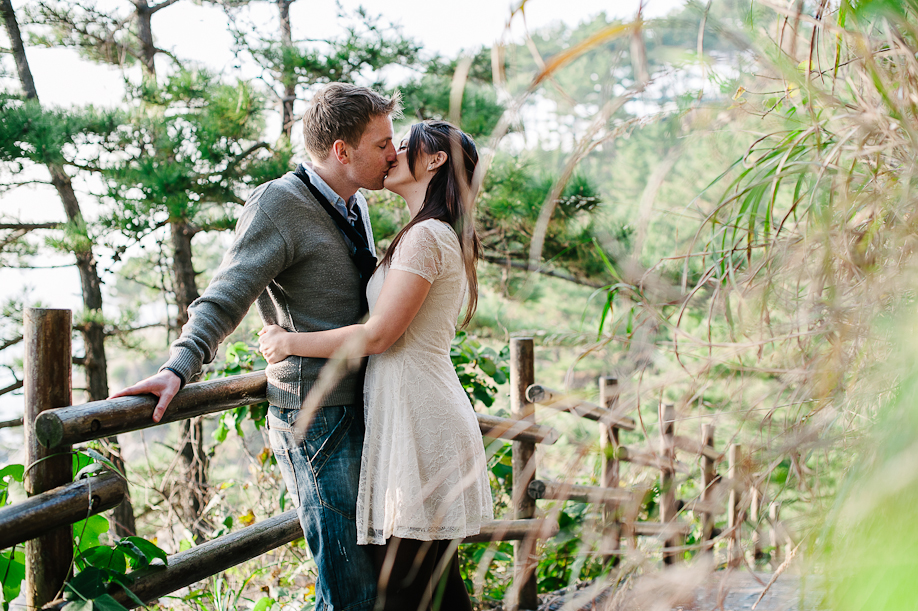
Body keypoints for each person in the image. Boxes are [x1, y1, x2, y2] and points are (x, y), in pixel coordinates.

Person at [110, 83, 401, 611]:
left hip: (360, 406)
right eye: (382, 144)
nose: (394, 153)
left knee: (363, 584)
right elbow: (224, 297)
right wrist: (180, 365)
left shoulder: (354, 204)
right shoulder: (279, 204)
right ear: (341, 150)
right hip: (316, 417)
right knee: (349, 588)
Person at [258, 120, 493, 611]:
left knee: (412, 586)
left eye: (401, 147)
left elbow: (379, 335)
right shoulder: (420, 232)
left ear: (435, 160)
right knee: (429, 584)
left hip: (420, 417)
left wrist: (289, 342)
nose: (390, 156)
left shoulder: (427, 235)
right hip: (408, 411)